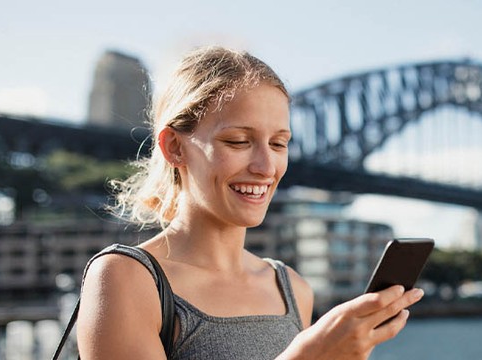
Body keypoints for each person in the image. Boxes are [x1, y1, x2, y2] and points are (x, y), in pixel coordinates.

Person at [76, 46, 424, 359]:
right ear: (174, 147)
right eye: (239, 141)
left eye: (278, 144)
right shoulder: (127, 279)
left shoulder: (291, 288)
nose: (266, 168)